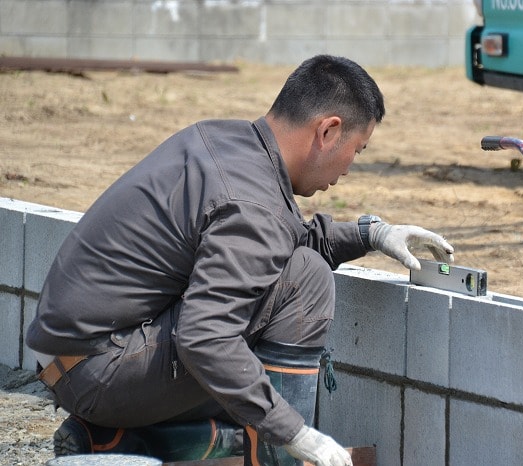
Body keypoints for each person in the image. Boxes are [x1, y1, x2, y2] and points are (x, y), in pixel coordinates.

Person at [27, 55, 454, 466]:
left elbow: (279, 239)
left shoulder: (231, 144)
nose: (348, 169)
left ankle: (114, 441)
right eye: (357, 151)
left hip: (84, 359)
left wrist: (371, 234)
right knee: (305, 281)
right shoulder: (252, 202)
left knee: (251, 380)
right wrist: (295, 433)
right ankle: (277, 459)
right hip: (103, 371)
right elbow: (204, 337)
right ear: (327, 131)